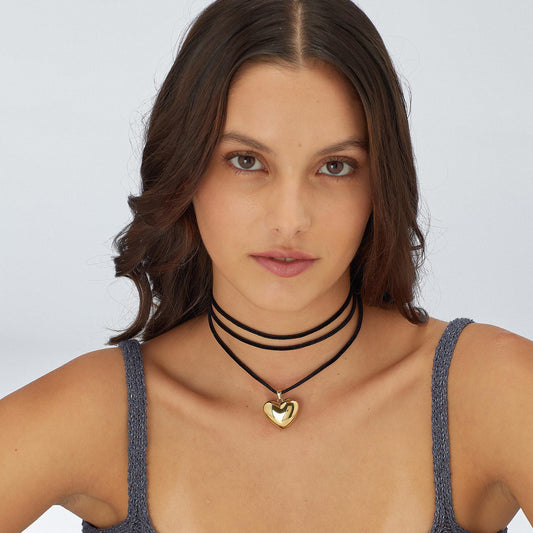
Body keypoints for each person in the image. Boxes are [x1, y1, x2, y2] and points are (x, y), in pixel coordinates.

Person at [1, 0, 532, 531]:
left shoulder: (491, 390)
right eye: (246, 161)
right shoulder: (98, 411)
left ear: (381, 184)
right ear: (185, 169)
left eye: (335, 166)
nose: (289, 220)